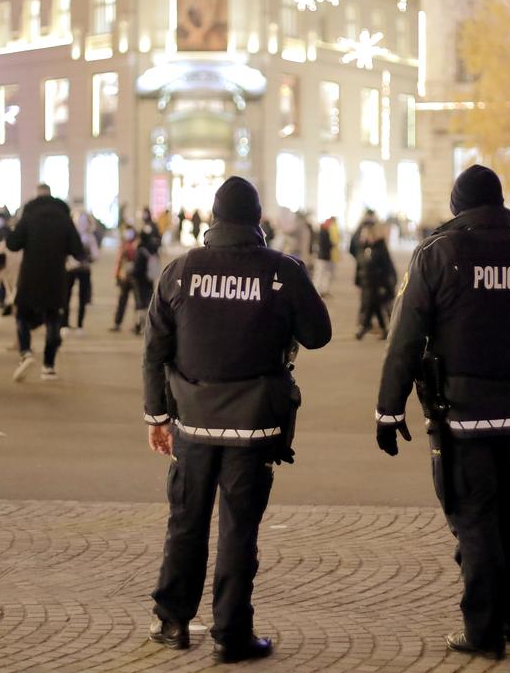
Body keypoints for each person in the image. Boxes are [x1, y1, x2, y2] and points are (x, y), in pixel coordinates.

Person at [374, 165, 510, 659]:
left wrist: (388, 408)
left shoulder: (436, 255)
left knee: (474, 519)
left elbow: (404, 339)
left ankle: (483, 631)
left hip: (459, 414)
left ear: (456, 205)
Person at [143, 176, 331, 663]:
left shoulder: (180, 272)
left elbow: (154, 351)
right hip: (255, 427)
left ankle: (172, 622)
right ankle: (231, 633)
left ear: (213, 218)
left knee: (185, 522)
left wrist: (157, 417)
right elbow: (319, 335)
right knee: (238, 531)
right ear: (258, 220)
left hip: (193, 423)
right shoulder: (281, 271)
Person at [7, 184, 84, 382]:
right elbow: (78, 250)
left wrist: (11, 228)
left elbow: (13, 244)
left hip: (30, 276)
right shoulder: (64, 219)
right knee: (53, 320)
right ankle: (48, 366)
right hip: (56, 278)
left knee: (22, 315)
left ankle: (26, 352)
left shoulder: (28, 216)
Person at [354, 222, 396, 340]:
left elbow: (388, 269)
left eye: (364, 234)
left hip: (377, 285)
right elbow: (360, 267)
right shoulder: (364, 248)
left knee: (371, 306)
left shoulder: (380, 248)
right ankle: (381, 329)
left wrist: (386, 285)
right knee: (374, 307)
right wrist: (357, 282)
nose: (362, 237)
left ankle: (364, 327)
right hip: (366, 284)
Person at [63, 211, 99, 334]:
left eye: (83, 221)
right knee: (66, 296)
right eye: (79, 220)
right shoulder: (70, 235)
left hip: (84, 270)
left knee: (82, 297)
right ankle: (65, 324)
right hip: (70, 269)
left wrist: (86, 259)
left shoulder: (90, 237)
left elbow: (95, 255)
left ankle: (79, 325)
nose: (81, 223)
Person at [312, 217, 340, 297]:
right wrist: (332, 245)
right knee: (319, 274)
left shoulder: (324, 231)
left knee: (324, 274)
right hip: (322, 256)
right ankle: (316, 291)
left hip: (324, 256)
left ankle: (322, 290)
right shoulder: (323, 232)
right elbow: (325, 244)